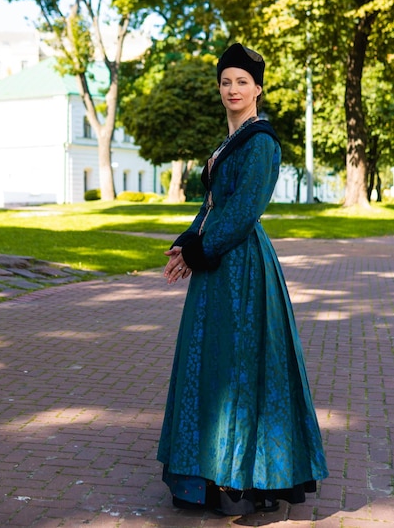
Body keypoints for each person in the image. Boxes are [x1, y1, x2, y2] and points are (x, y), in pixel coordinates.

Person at [157, 43, 328, 516]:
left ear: (258, 88)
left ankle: (246, 475)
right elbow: (212, 207)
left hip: (243, 271)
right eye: (226, 82)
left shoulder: (261, 142)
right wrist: (187, 239)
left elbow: (243, 212)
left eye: (242, 82)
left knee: (238, 367)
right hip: (218, 268)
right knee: (210, 366)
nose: (233, 89)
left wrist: (199, 250)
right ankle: (206, 473)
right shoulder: (230, 141)